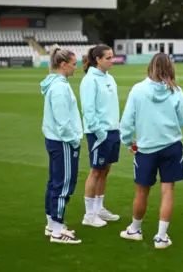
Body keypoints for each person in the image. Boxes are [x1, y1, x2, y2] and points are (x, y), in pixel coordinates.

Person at [119, 53, 183, 249]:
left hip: (146, 148)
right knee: (167, 191)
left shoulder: (137, 90)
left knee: (142, 191)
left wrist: (128, 142)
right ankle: (161, 236)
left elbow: (126, 124)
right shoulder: (176, 91)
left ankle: (135, 229)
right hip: (172, 146)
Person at [41, 46, 83, 244]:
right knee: (64, 184)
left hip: (56, 140)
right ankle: (58, 231)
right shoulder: (59, 88)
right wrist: (74, 140)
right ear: (63, 64)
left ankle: (52, 224)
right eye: (74, 64)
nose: (77, 67)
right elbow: (63, 121)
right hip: (63, 142)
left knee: (55, 181)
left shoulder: (58, 84)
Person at [80, 44, 121, 228]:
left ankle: (99, 208)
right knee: (96, 170)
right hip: (99, 133)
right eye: (108, 58)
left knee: (105, 170)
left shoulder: (110, 78)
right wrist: (99, 132)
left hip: (113, 131)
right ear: (98, 60)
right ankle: (89, 215)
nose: (112, 61)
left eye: (112, 57)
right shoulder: (90, 81)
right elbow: (88, 110)